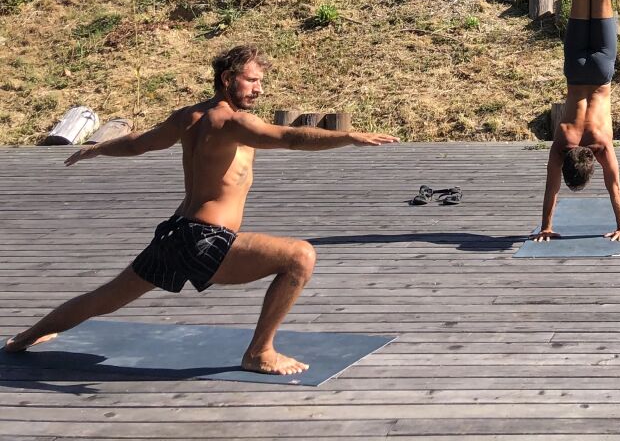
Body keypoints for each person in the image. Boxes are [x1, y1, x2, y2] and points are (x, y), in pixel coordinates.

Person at [3, 45, 396, 375]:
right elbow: (290, 137)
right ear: (228, 79)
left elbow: (139, 142)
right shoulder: (232, 122)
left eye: (261, 81)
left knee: (105, 297)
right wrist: (347, 136)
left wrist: (101, 146)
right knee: (300, 257)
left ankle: (26, 337)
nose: (258, 89)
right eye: (251, 80)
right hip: (206, 241)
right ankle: (259, 352)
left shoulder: (189, 117)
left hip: (177, 233)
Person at [532, 0, 620, 244]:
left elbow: (614, 186)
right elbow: (552, 187)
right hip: (575, 70)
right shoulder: (562, 142)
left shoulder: (601, 146)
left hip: (601, 70)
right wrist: (544, 224)